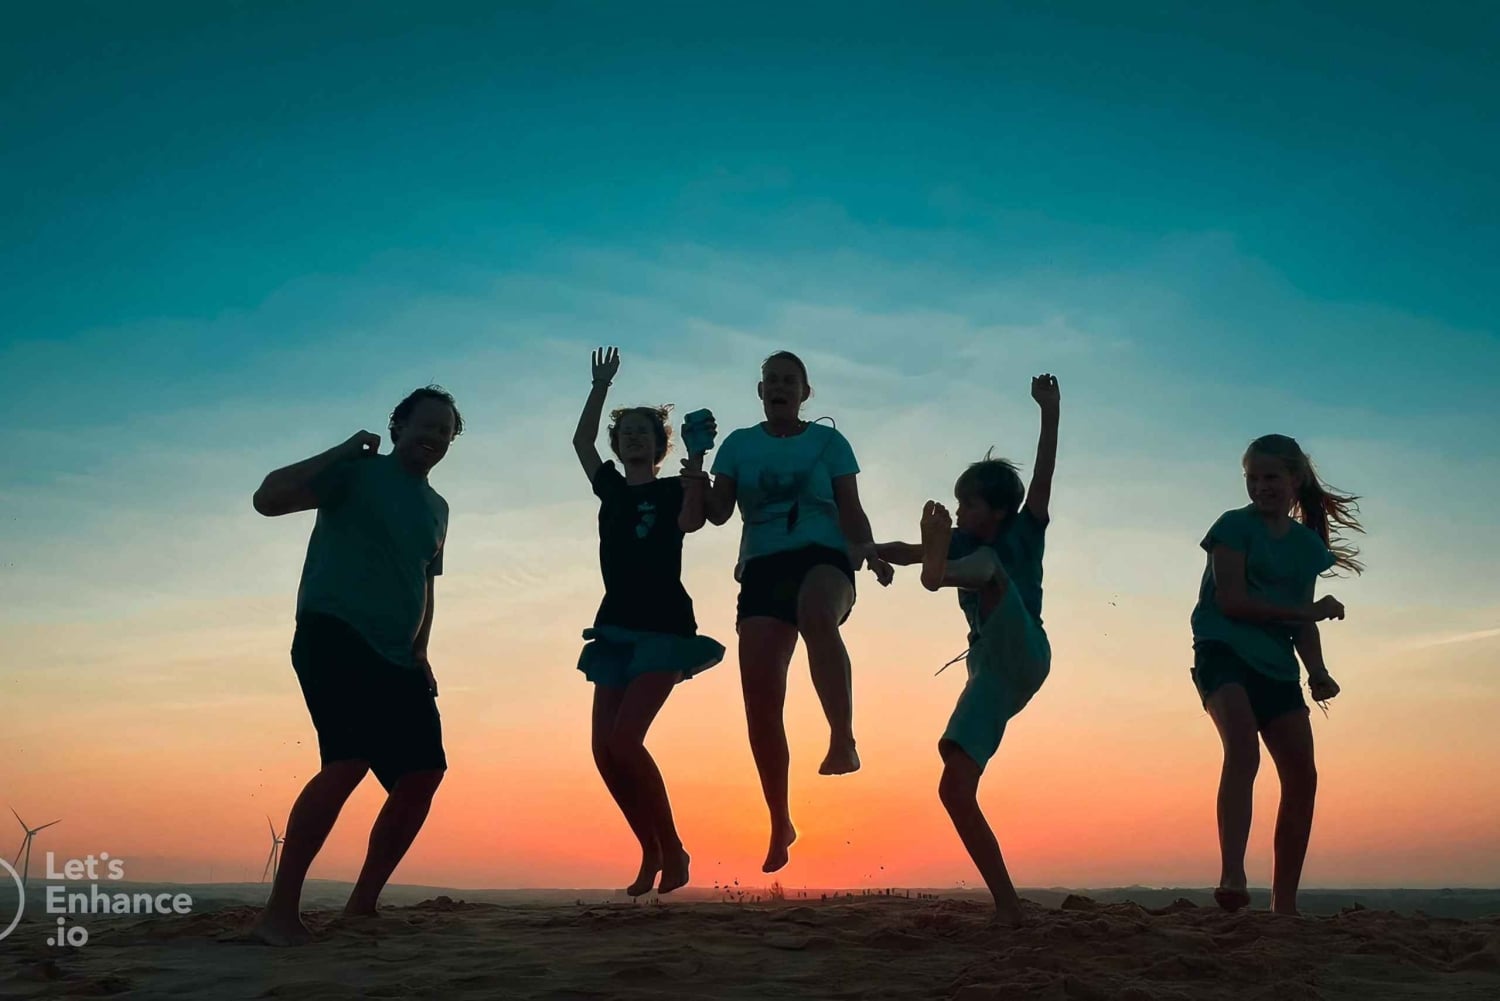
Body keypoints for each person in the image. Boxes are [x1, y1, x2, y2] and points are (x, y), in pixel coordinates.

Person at [248, 386, 461, 946]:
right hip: (332, 633)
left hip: (399, 656)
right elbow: (267, 499)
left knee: (422, 774)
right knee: (348, 760)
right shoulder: (356, 473)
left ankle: (361, 906)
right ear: (397, 426)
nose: (434, 438)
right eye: (426, 425)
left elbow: (425, 583)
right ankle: (279, 913)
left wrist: (421, 650)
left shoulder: (438, 510)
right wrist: (341, 450)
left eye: (446, 431)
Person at [697, 350, 894, 874]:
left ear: (806, 392)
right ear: (759, 391)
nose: (780, 386)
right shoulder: (739, 446)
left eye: (790, 380)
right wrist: (695, 462)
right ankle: (780, 821)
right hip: (762, 568)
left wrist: (868, 550)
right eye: (771, 380)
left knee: (815, 612)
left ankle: (843, 738)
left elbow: (850, 507)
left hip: (825, 559)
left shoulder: (830, 442)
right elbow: (717, 515)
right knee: (760, 702)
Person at [874, 373, 1060, 927]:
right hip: (991, 673)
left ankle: (942, 576)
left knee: (985, 570)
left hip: (1024, 642)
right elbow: (904, 550)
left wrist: (1049, 409)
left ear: (998, 509)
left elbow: (1044, 472)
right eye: (956, 503)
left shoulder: (1023, 530)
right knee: (954, 788)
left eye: (968, 503)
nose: (959, 511)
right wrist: (860, 550)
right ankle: (1008, 903)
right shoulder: (961, 542)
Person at [1189, 433, 1364, 916]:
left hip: (1277, 667)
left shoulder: (1307, 546)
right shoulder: (1232, 527)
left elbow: (1298, 618)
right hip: (1222, 650)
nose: (1261, 487)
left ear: (1295, 480)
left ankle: (1284, 902)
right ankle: (1232, 873)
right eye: (1253, 478)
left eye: (1271, 477)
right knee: (1243, 750)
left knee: (1302, 777)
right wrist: (1309, 612)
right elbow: (1233, 601)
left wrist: (1318, 671)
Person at [572, 347, 725, 897]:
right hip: (614, 627)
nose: (635, 437)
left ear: (660, 445)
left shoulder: (671, 486)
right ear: (619, 444)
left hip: (664, 628)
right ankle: (650, 850)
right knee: (603, 753)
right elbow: (580, 444)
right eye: (628, 432)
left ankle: (675, 849)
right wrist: (601, 388)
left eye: (644, 431)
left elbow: (691, 522)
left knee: (627, 741)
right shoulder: (610, 486)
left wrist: (695, 474)